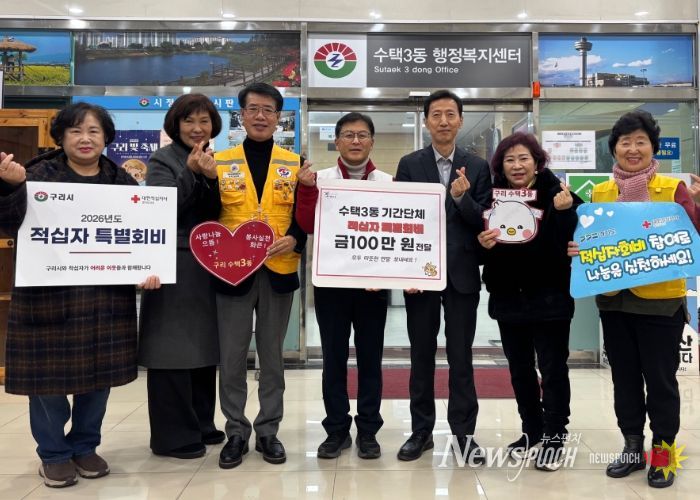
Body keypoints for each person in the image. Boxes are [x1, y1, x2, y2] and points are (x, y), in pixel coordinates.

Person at [0, 102, 160, 488]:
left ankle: (85, 446)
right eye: (75, 130)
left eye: (93, 131)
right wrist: (10, 188)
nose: (85, 138)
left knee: (97, 380)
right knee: (47, 385)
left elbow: (139, 237)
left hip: (104, 301)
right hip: (47, 299)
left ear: (106, 138)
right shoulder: (34, 176)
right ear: (60, 137)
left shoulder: (122, 183)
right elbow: (7, 225)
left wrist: (148, 269)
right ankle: (54, 453)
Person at [569, 110, 700, 488]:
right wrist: (580, 249)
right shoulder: (601, 193)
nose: (632, 149)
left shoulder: (672, 190)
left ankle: (663, 453)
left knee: (660, 382)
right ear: (614, 149)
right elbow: (592, 240)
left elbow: (692, 239)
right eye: (625, 142)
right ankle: (631, 447)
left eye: (640, 141)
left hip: (660, 303)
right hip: (614, 302)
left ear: (652, 147)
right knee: (624, 380)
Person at [395, 89, 492, 462]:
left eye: (451, 114)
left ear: (461, 120)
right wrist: (405, 270)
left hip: (462, 275)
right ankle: (421, 432)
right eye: (436, 114)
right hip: (420, 275)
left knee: (461, 357)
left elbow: (484, 220)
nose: (444, 121)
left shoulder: (477, 166)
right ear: (426, 122)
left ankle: (464, 435)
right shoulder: (409, 164)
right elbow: (401, 219)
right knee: (420, 356)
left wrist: (462, 199)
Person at [475, 132, 582, 471]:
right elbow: (480, 248)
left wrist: (564, 213)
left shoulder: (559, 194)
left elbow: (578, 240)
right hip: (508, 298)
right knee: (519, 371)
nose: (517, 165)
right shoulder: (493, 197)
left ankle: (555, 436)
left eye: (524, 158)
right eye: (509, 160)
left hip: (551, 300)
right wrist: (482, 245)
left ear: (537, 163)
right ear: (501, 166)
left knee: (552, 370)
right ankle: (532, 431)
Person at [214, 82, 306, 469]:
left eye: (269, 110)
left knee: (272, 357)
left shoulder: (295, 163)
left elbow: (306, 214)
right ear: (241, 115)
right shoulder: (220, 162)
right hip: (232, 273)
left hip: (278, 270)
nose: (261, 116)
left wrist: (295, 238)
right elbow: (207, 216)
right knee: (232, 356)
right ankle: (236, 431)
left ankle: (269, 429)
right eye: (253, 109)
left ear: (279, 117)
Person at [295, 112, 392, 459]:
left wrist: (387, 275)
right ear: (336, 141)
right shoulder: (318, 179)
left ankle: (368, 430)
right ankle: (336, 429)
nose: (355, 141)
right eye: (348, 135)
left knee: (370, 360)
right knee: (333, 359)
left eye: (362, 135)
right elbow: (306, 224)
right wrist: (307, 191)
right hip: (331, 286)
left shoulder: (387, 182)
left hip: (373, 288)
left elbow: (392, 236)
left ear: (371, 142)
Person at [138, 93, 224, 459]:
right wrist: (190, 172)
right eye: (189, 120)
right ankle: (173, 436)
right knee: (170, 349)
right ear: (175, 124)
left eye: (204, 120)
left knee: (203, 348)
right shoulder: (162, 159)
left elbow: (218, 213)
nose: (197, 128)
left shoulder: (215, 159)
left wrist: (211, 179)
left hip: (207, 265)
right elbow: (161, 210)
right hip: (172, 262)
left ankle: (202, 423)